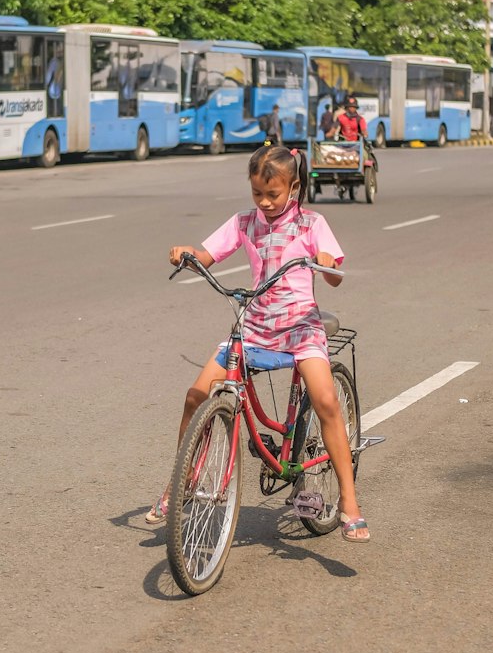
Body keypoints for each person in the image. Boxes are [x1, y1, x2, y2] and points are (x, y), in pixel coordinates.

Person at [146, 144, 369, 542]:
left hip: (301, 327)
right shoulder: (244, 222)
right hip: (255, 326)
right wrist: (185, 254)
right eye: (257, 194)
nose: (265, 203)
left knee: (325, 400)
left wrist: (328, 263)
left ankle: (350, 502)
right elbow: (207, 255)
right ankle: (180, 481)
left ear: (294, 187)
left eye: (273, 194)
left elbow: (333, 273)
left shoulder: (311, 224)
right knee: (197, 395)